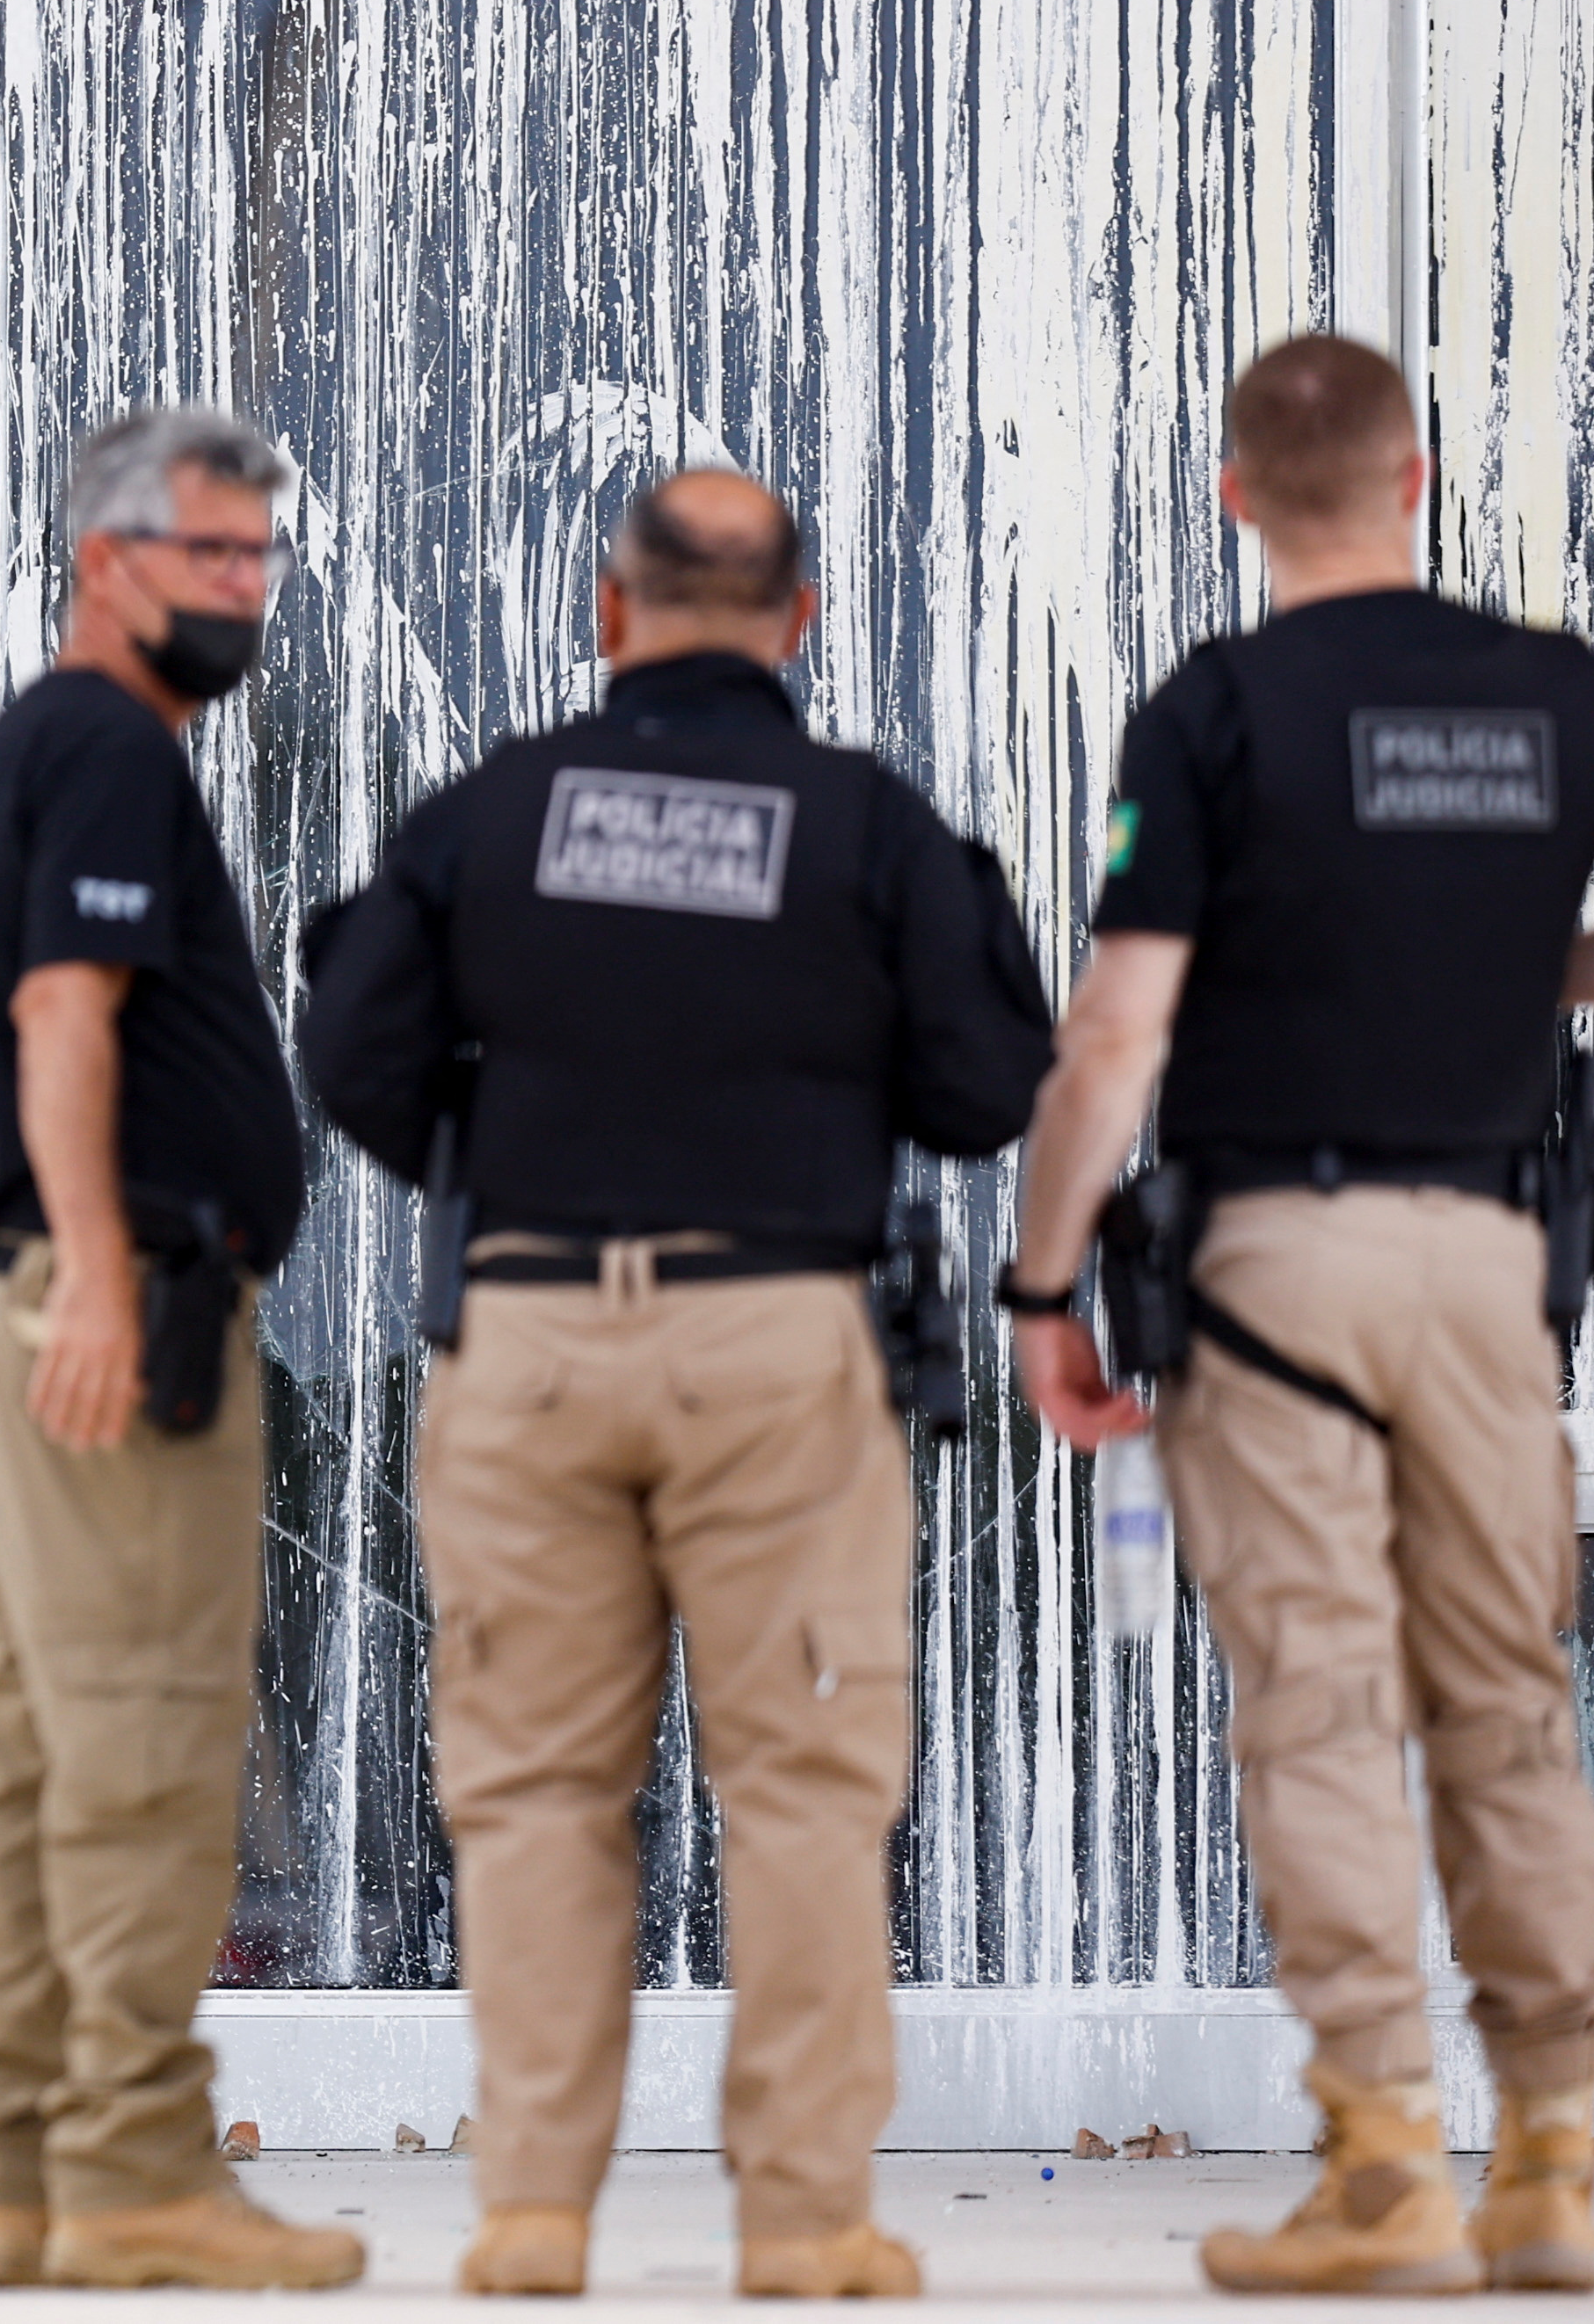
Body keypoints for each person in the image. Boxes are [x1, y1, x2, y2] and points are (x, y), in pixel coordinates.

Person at [1006, 335, 1594, 2296]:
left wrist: (1041, 1281)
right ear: (1414, 481)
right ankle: (1550, 2160)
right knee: (1505, 1694)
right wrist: (1524, 972)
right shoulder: (1560, 692)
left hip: (1276, 1275)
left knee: (1318, 1700)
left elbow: (1118, 1032)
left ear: (1239, 497)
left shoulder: (1213, 710)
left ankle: (1387, 2164)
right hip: (1486, 1268)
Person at [299, 469, 1052, 2299]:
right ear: (798, 621)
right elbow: (985, 1086)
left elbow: (351, 1048)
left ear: (606, 610)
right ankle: (802, 2222)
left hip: (529, 1341)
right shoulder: (867, 829)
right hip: (774, 1337)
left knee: (535, 1790)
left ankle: (532, 2215)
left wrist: (509, 1162)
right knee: (802, 1787)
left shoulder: (491, 815)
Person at [0, 405, 364, 2296]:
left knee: (23, 1759)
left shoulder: (2, 759)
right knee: (147, 1745)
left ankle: (20, 2181)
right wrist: (91, 1272)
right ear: (105, 562)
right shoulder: (101, 746)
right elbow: (60, 1024)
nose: (245, 592)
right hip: (113, 1313)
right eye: (209, 556)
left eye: (260, 559)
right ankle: (140, 2171)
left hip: (3, 1309)